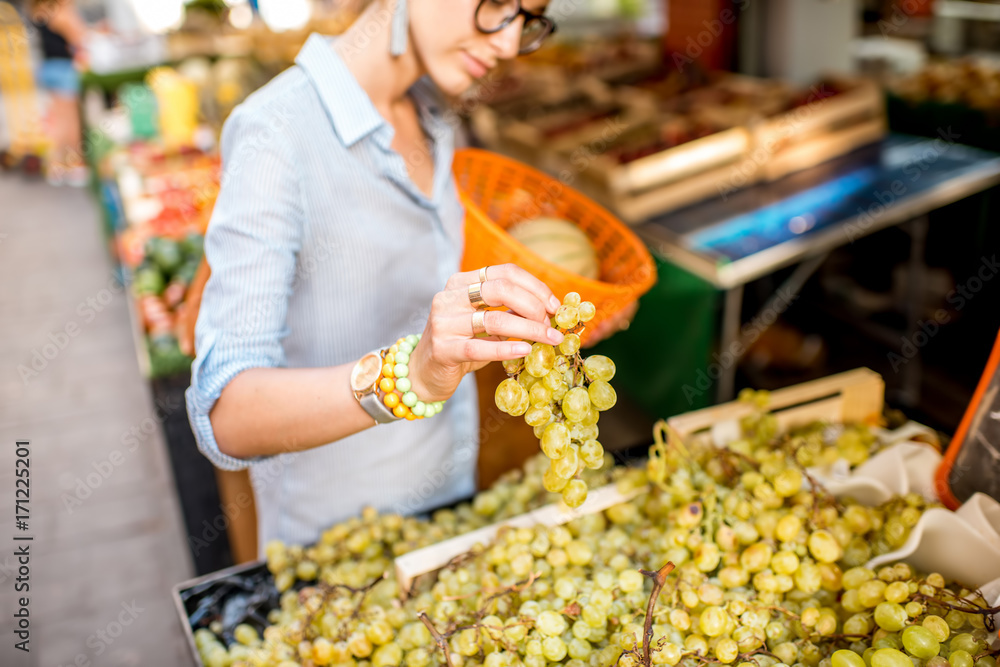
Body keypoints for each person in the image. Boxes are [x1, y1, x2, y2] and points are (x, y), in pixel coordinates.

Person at [188, 0, 630, 553]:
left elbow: (432, 295)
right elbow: (226, 412)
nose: (509, 44)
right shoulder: (275, 131)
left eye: (529, 20)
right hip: (340, 550)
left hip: (447, 510)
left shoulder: (436, 112)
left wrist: (539, 320)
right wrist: (410, 377)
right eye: (497, 5)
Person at [29, 0, 88, 186]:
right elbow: (79, 37)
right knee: (70, 121)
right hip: (64, 69)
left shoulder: (40, 10)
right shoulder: (62, 11)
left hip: (49, 67)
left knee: (58, 120)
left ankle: (56, 166)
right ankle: (74, 164)